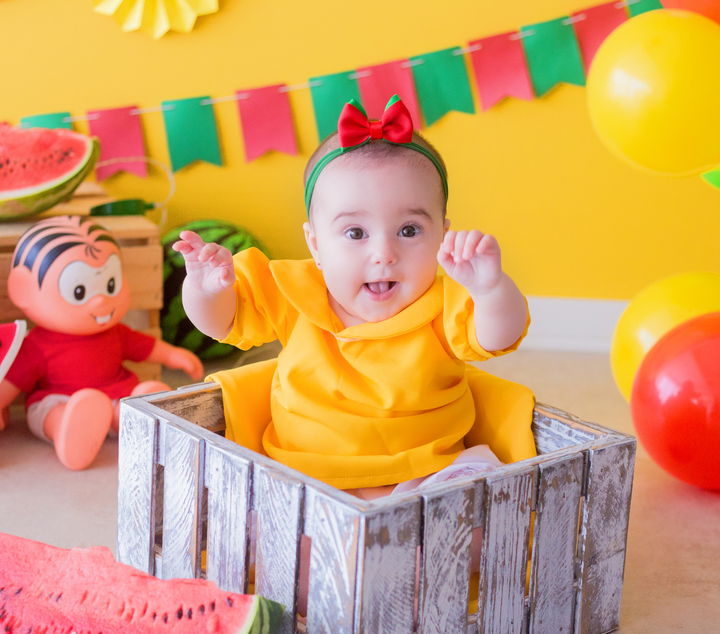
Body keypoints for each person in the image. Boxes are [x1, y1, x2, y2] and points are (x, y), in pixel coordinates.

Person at [176, 96, 531, 499]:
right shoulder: (292, 289)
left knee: (484, 497)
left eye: (410, 230)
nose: (384, 253)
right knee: (277, 531)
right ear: (315, 244)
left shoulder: (443, 300)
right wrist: (204, 291)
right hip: (307, 473)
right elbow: (223, 321)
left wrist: (490, 288)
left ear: (441, 233)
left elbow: (499, 336)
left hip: (429, 471)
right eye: (356, 233)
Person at [0, 216, 203, 470]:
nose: (102, 302)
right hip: (60, 400)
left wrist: (173, 355)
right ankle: (66, 431)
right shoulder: (37, 344)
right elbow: (15, 378)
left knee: (138, 397)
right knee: (47, 413)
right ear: (23, 291)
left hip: (116, 396)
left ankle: (139, 420)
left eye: (110, 284)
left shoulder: (117, 333)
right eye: (80, 292)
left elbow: (146, 347)